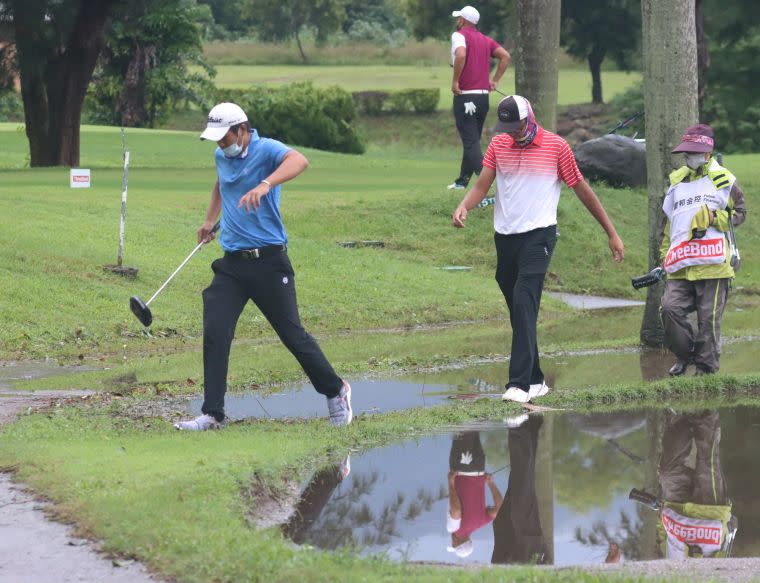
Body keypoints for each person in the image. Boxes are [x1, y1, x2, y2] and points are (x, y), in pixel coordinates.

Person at [173, 102, 352, 430]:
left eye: (225, 138)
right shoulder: (220, 156)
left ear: (241, 129)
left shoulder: (267, 148)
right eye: (216, 140)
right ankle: (213, 414)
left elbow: (300, 160)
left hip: (269, 261)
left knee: (292, 336)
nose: (220, 145)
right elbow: (221, 183)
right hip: (232, 265)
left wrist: (266, 184)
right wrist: (210, 219)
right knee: (216, 330)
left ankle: (337, 391)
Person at [452, 95, 625, 404]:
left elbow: (583, 191)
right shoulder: (498, 146)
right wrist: (464, 205)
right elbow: (482, 186)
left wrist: (611, 232)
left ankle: (518, 385)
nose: (512, 132)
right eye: (506, 126)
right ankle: (536, 379)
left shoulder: (557, 147)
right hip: (505, 237)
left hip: (540, 236)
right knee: (521, 311)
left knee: (523, 300)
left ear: (529, 117)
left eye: (516, 125)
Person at [660, 124, 747, 376]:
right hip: (680, 263)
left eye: (693, 152)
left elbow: (740, 214)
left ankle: (706, 371)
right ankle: (685, 357)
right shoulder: (676, 182)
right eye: (686, 153)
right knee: (669, 308)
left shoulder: (725, 180)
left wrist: (714, 217)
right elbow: (668, 223)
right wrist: (662, 257)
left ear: (707, 153)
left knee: (708, 321)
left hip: (714, 263)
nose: (688, 157)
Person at [447, 5, 511, 190]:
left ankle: (493, 182)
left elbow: (460, 54)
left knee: (470, 141)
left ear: (463, 20)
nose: (457, 20)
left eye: (459, 18)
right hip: (483, 99)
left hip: (465, 96)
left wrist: (455, 81)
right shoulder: (485, 39)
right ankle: (462, 181)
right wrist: (495, 81)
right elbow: (505, 56)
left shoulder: (459, 35)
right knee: (473, 139)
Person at [446, 431, 503, 558]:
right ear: (457, 542)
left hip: (479, 465)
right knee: (463, 426)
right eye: (453, 544)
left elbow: (500, 509)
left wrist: (490, 483)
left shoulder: (481, 522)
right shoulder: (454, 529)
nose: (451, 541)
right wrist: (450, 483)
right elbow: (456, 511)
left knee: (474, 428)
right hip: (462, 465)